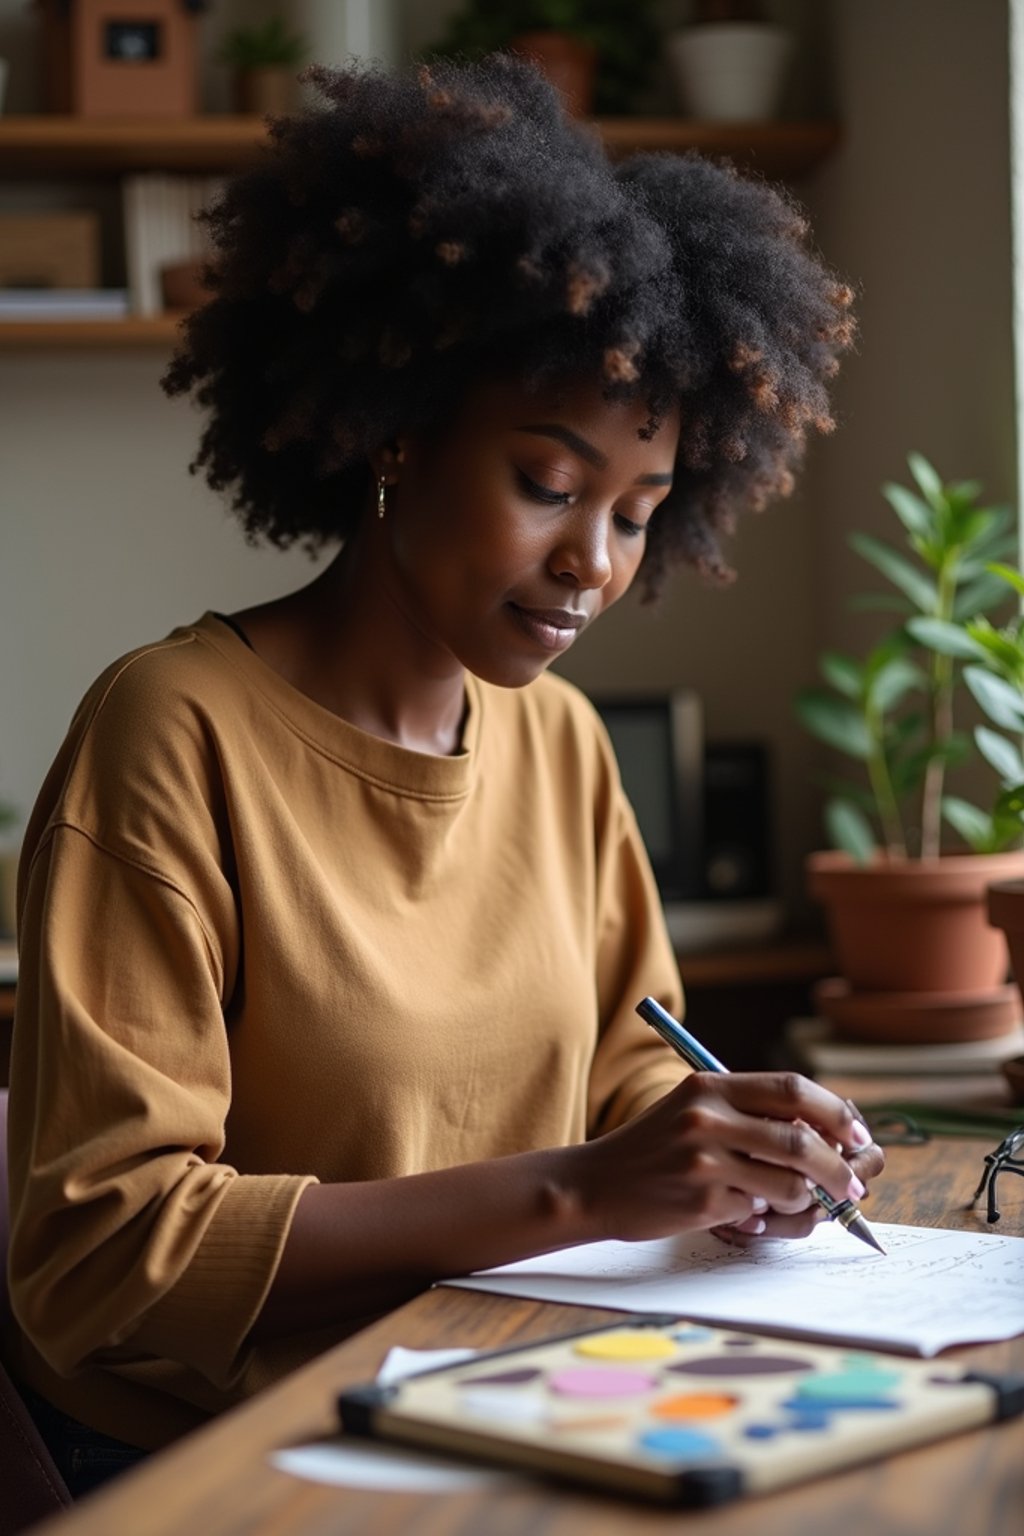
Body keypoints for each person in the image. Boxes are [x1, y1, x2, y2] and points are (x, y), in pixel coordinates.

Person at [5, 57, 882, 1491]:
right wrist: (583, 1190)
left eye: (638, 514)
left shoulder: (560, 744)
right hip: (228, 1454)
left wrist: (729, 1162)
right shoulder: (170, 734)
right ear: (399, 435)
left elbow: (627, 1068)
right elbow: (105, 1258)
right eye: (549, 484)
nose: (592, 565)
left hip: (506, 1386)